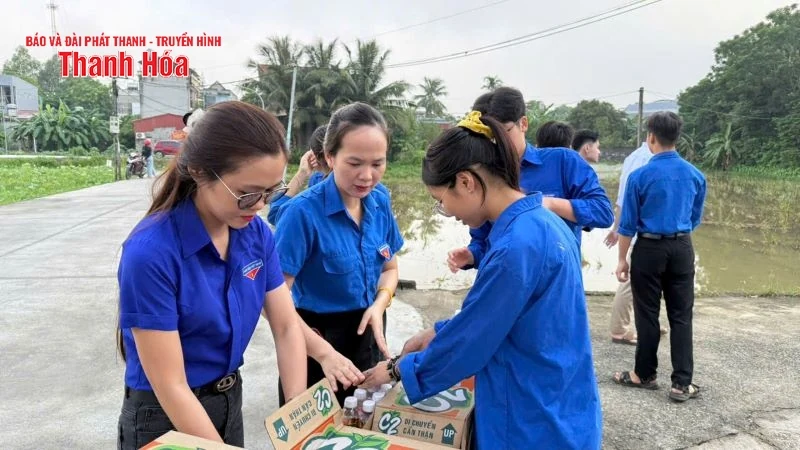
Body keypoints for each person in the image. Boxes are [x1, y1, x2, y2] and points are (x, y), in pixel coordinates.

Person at [361, 111, 602, 449]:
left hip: (529, 419)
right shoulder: (543, 223)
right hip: (561, 402)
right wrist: (436, 332)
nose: (450, 214)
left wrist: (397, 369)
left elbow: (472, 341)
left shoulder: (514, 248)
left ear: (466, 181)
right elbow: (495, 315)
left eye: (441, 202)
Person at [115, 101, 308, 449]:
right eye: (247, 193)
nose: (261, 205)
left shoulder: (256, 235)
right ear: (201, 171)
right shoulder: (150, 253)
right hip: (165, 416)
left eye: (271, 191)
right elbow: (171, 384)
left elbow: (286, 324)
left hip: (227, 402)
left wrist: (297, 413)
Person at [273, 102, 403, 406]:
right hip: (315, 339)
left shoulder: (380, 202)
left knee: (364, 423)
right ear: (330, 157)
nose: (367, 176)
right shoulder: (302, 213)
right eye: (355, 163)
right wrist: (323, 353)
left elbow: (390, 268)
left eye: (377, 163)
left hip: (368, 330)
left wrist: (379, 304)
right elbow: (273, 301)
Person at [447, 87, 613, 273]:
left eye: (503, 133)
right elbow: (482, 240)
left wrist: (549, 204)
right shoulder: (484, 176)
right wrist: (471, 255)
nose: (497, 145)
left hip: (555, 285)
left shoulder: (563, 162)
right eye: (488, 139)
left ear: (523, 124)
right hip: (507, 283)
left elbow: (603, 212)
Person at [613, 112, 707, 403]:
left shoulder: (639, 176)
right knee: (681, 316)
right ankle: (681, 383)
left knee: (647, 313)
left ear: (650, 137)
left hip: (649, 250)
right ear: (676, 138)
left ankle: (644, 374)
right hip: (681, 248)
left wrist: (621, 259)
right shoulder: (695, 175)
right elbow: (694, 218)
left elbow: (627, 224)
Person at [267, 125, 391, 226]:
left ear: (315, 156)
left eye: (376, 164)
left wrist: (302, 173)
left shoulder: (379, 195)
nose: (366, 177)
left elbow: (276, 214)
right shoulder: (380, 192)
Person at [605, 141, 655, 345]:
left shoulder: (633, 157)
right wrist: (618, 229)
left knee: (644, 283)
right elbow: (627, 199)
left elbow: (621, 198)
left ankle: (645, 324)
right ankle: (619, 329)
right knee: (631, 283)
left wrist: (616, 228)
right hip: (642, 231)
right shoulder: (647, 159)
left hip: (635, 230)